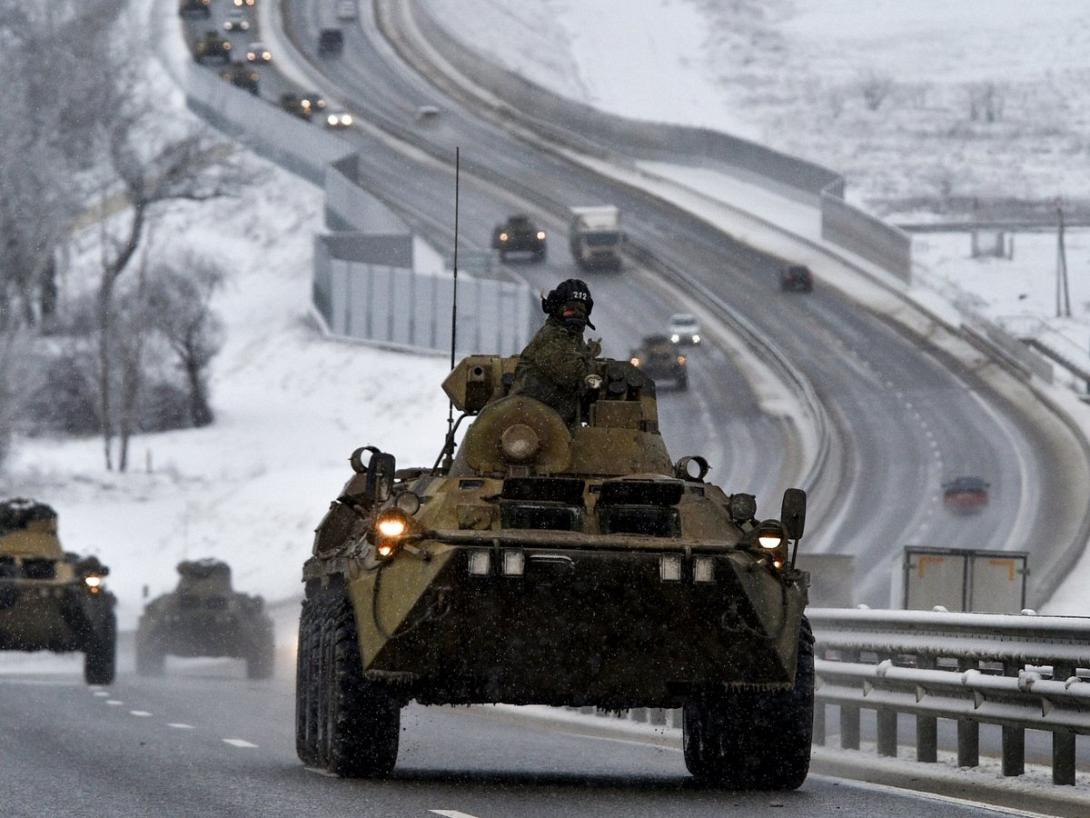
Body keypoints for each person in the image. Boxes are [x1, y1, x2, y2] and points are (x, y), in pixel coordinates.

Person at [509, 278, 602, 427]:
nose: (577, 315)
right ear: (557, 309)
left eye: (582, 311)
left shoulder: (571, 338)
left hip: (553, 421)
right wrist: (589, 358)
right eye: (571, 309)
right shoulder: (553, 337)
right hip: (531, 421)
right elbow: (574, 376)